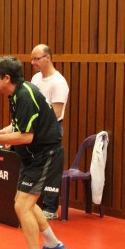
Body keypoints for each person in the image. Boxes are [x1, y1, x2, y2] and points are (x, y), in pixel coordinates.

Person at [0, 57, 68, 249]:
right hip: (32, 156)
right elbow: (22, 125)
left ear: (7, 78)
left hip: (45, 155)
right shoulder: (16, 94)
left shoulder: (25, 95)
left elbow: (26, 136)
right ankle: (52, 244)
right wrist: (5, 132)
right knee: (25, 202)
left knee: (22, 206)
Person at [30, 44, 70, 220]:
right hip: (37, 129)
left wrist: (37, 122)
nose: (33, 62)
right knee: (36, 166)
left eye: (36, 59)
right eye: (31, 59)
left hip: (51, 130)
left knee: (51, 169)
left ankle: (51, 208)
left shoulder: (59, 82)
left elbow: (57, 112)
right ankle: (34, 203)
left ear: (48, 58)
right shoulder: (35, 78)